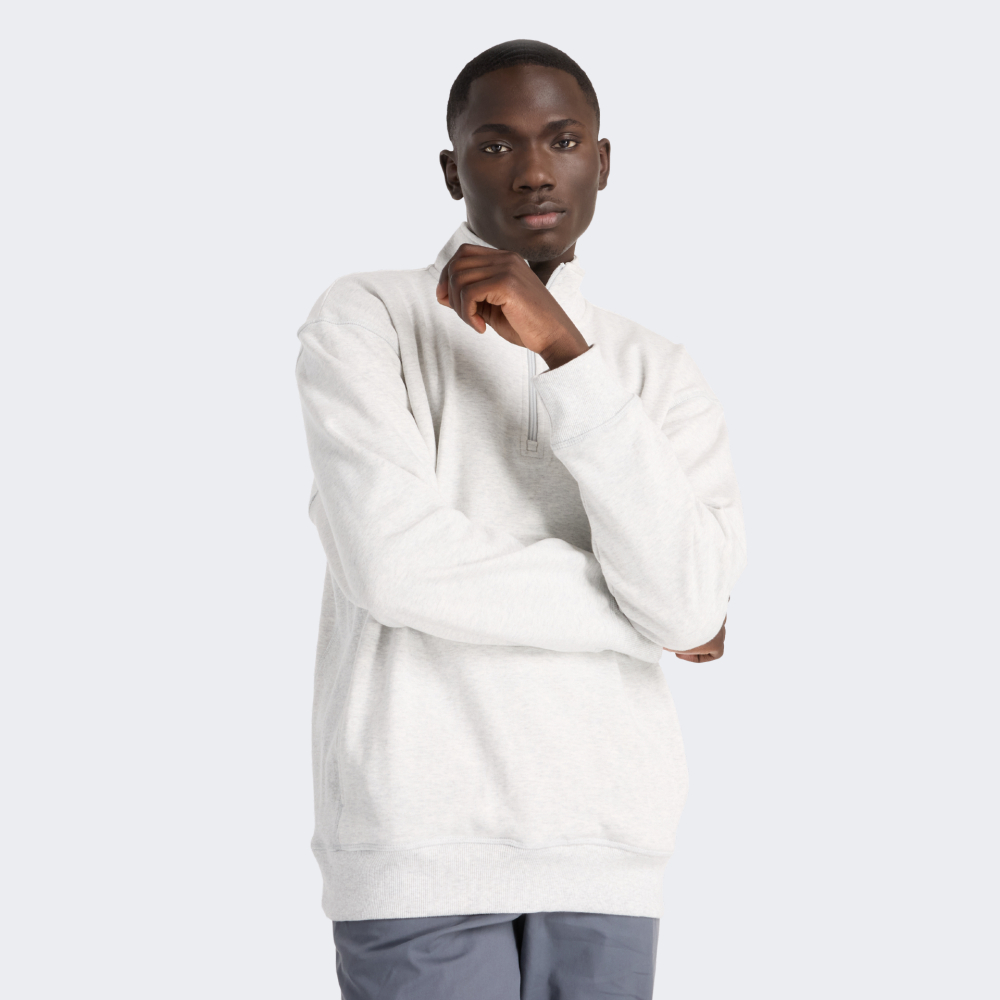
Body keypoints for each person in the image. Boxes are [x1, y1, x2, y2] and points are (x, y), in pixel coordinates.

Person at [295, 38, 746, 1000]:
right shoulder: (367, 318)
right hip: (418, 841)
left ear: (603, 162)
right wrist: (650, 617)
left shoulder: (656, 370)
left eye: (563, 140)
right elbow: (395, 567)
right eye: (496, 145)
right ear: (451, 169)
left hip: (609, 847)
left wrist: (568, 356)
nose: (535, 170)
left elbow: (692, 597)